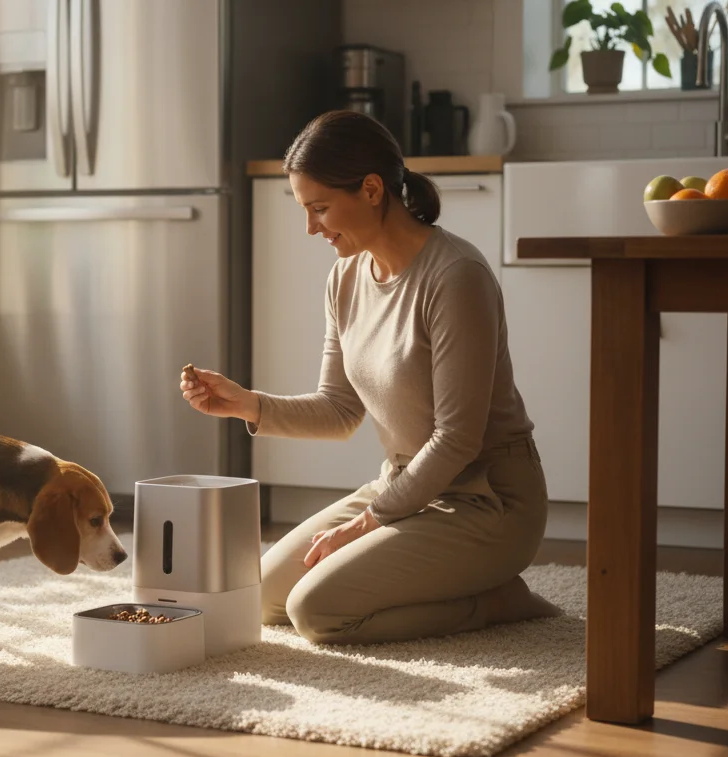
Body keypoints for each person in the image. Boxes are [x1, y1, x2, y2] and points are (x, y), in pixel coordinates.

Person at [179, 110, 561, 646]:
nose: (312, 228)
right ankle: (447, 580)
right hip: (405, 484)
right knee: (263, 596)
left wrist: (365, 526)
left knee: (317, 611)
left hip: (488, 500)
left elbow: (457, 439)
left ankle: (495, 599)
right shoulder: (346, 275)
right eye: (305, 211)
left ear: (372, 189)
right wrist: (247, 404)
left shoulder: (456, 277)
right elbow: (339, 410)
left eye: (320, 208)